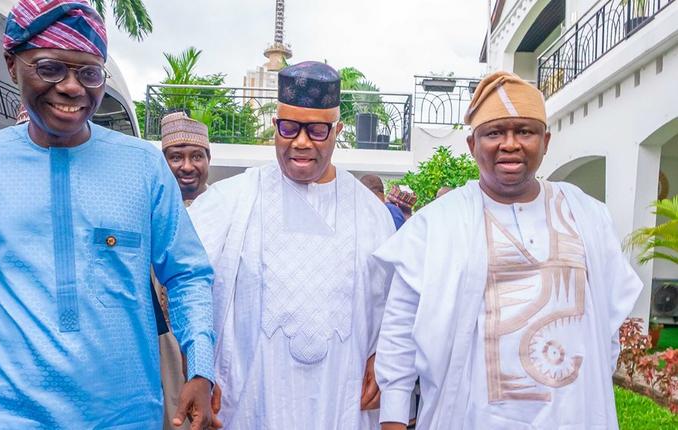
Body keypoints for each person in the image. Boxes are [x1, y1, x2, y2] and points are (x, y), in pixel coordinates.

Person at [0, 1, 217, 429]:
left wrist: (201, 368)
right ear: (12, 64)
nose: (71, 87)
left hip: (121, 413)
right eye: (50, 69)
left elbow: (188, 274)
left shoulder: (142, 166)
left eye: (88, 72)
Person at [373, 71, 643, 430]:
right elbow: (400, 330)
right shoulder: (436, 223)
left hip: (572, 416)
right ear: (473, 145)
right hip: (471, 419)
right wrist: (393, 416)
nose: (510, 144)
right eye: (494, 133)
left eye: (524, 131)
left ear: (545, 141)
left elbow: (607, 321)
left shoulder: (586, 214)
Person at [188, 61, 395, 429]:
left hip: (341, 400)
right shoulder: (231, 201)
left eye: (316, 130)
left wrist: (383, 355)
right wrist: (202, 367)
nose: (301, 142)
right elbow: (188, 285)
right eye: (289, 128)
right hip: (252, 403)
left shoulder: (370, 213)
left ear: (337, 131)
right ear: (275, 127)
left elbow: (393, 304)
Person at [156, 111, 216, 430]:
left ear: (209, 159)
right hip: (162, 349)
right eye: (175, 157)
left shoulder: (226, 211)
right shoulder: (149, 214)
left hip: (215, 345)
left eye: (197, 156)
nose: (187, 166)